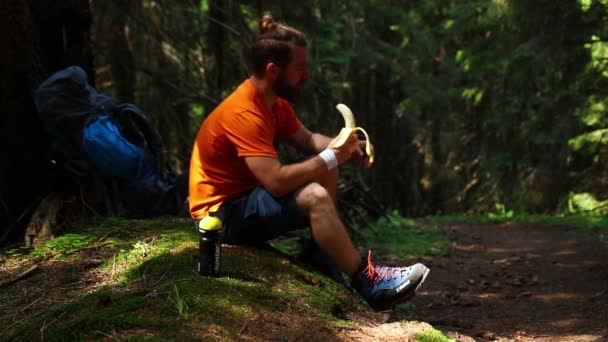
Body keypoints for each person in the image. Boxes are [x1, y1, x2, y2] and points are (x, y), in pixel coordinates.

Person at [189, 14, 429, 311]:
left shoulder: (274, 103)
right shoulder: (244, 113)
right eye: (299, 68)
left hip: (244, 200)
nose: (306, 76)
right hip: (218, 218)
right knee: (315, 194)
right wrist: (330, 156)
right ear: (273, 70)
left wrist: (347, 147)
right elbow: (275, 181)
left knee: (327, 165)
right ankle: (369, 283)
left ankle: (320, 253)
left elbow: (307, 139)